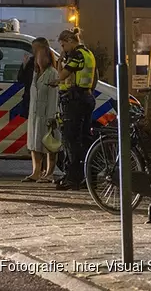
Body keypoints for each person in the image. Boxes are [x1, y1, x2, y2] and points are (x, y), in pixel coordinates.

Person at [53, 28, 97, 191]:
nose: (63, 49)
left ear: (71, 41)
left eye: (63, 45)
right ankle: (89, 177)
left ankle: (73, 177)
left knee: (71, 140)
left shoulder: (76, 55)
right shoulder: (88, 54)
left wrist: (59, 61)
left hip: (75, 99)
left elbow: (63, 74)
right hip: (86, 97)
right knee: (85, 139)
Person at [23, 41, 59, 183]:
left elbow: (53, 97)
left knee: (50, 144)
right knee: (34, 144)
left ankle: (49, 172)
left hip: (47, 113)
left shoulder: (52, 73)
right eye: (39, 57)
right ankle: (35, 172)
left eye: (44, 57)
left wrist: (52, 116)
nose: (41, 60)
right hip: (35, 113)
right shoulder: (35, 73)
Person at [17, 37, 50, 117]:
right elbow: (20, 79)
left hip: (43, 101)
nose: (33, 51)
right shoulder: (30, 62)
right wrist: (24, 66)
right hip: (29, 100)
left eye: (35, 49)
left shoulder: (50, 65)